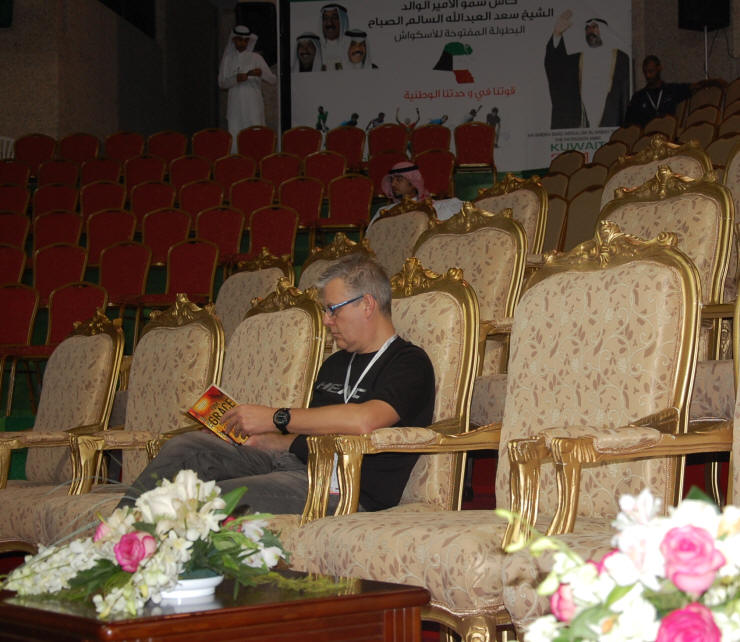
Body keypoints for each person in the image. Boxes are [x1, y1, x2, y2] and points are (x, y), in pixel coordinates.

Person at [119, 254, 436, 514]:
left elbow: (365, 420)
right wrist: (266, 439)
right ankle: (114, 538)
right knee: (186, 448)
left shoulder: (409, 362)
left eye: (332, 309)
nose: (327, 320)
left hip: (344, 488)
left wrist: (275, 417)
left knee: (210, 499)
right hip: (295, 463)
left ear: (366, 304)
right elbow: (315, 435)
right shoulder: (336, 363)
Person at [544, 11, 630, 129]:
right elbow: (556, 67)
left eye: (594, 27)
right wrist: (557, 34)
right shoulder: (577, 60)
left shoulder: (621, 59)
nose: (590, 31)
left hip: (611, 125)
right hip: (583, 126)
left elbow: (625, 96)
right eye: (587, 28)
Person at [218, 25, 277, 152]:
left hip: (253, 105)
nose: (243, 43)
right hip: (235, 106)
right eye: (240, 40)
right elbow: (221, 83)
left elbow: (273, 79)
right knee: (236, 135)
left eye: (246, 40)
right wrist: (235, 79)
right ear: (234, 40)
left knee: (256, 134)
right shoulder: (227, 59)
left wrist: (261, 73)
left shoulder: (256, 58)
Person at [623, 55, 723, 127]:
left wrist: (714, 82)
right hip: (647, 137)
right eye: (645, 72)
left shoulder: (671, 90)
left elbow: (695, 86)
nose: (648, 75)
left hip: (668, 134)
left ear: (659, 68)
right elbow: (628, 124)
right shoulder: (638, 97)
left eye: (651, 71)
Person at [371, 161, 463, 223]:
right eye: (392, 180)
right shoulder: (384, 212)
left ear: (413, 183)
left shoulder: (440, 207)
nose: (393, 184)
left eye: (398, 179)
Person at [320, 3, 349, 71]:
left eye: (335, 18)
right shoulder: (317, 50)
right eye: (325, 18)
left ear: (343, 21)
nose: (329, 23)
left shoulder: (351, 48)